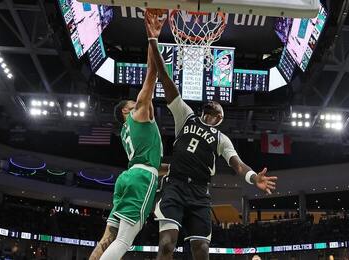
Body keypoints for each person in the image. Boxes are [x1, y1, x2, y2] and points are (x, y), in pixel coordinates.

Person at [144, 9, 278, 260]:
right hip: (175, 184)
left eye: (219, 106)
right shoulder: (185, 115)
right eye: (213, 102)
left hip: (200, 193)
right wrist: (154, 39)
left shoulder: (221, 138)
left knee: (201, 249)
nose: (215, 103)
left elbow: (237, 166)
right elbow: (165, 78)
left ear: (219, 118)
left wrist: (252, 178)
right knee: (166, 244)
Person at [88, 25, 167, 260]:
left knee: (107, 238)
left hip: (128, 177)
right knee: (123, 240)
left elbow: (149, 161)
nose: (139, 100)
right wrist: (152, 38)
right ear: (126, 110)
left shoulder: (126, 131)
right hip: (141, 179)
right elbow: (151, 76)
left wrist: (173, 168)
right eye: (133, 101)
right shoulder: (137, 114)